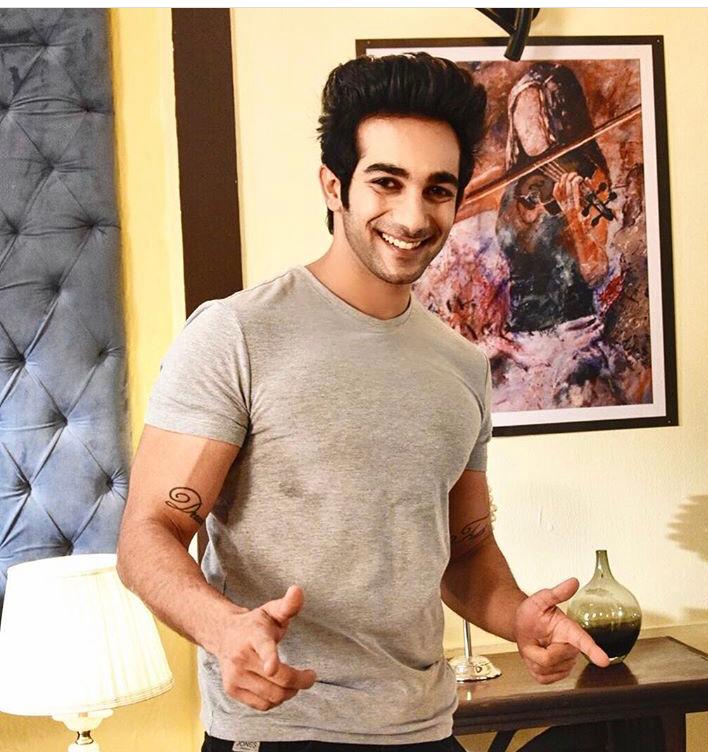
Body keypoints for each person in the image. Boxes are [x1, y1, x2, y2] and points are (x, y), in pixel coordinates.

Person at [116, 52, 610, 752]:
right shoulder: (236, 335)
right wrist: (224, 629)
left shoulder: (462, 365)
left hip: (426, 731)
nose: (413, 215)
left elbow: (466, 551)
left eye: (438, 189)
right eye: (386, 182)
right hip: (282, 732)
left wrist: (519, 616)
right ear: (333, 185)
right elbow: (147, 535)